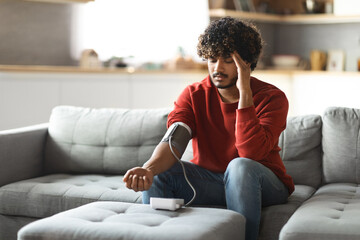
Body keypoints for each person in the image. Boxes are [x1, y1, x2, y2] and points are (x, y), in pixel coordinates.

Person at [123, 17, 294, 240]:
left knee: (240, 167)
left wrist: (245, 96)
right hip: (212, 183)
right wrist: (149, 168)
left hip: (263, 184)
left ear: (247, 63)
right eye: (212, 59)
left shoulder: (273, 98)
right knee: (159, 173)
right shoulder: (194, 94)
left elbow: (252, 154)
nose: (217, 68)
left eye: (227, 60)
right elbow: (176, 138)